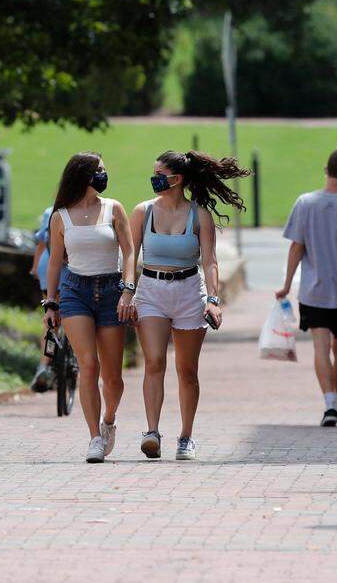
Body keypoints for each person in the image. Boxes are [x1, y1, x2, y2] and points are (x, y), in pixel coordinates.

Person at [124, 150, 250, 461]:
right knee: (153, 362)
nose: (154, 179)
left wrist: (213, 299)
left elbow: (210, 261)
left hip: (188, 291)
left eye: (159, 174)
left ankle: (186, 436)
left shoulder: (199, 215)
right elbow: (129, 255)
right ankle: (151, 432)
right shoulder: (142, 211)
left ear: (177, 179)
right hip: (151, 289)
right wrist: (127, 291)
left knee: (187, 370)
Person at [43, 153, 133, 463]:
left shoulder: (114, 209)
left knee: (113, 377)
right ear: (83, 176)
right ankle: (95, 437)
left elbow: (130, 252)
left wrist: (128, 290)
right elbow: (55, 262)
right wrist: (50, 302)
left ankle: (109, 420)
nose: (104, 176)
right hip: (75, 291)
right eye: (99, 171)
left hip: (111, 290)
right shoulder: (61, 217)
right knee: (88, 366)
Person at [275, 149, 337, 427]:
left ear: (326, 170)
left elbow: (297, 246)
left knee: (320, 346)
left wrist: (286, 284)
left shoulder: (305, 203)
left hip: (313, 289)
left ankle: (330, 404)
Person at [30, 206, 55, 392]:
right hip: (74, 268)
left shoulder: (50, 211)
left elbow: (41, 243)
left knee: (51, 321)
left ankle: (44, 365)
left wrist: (35, 268)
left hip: (48, 268)